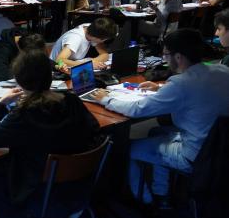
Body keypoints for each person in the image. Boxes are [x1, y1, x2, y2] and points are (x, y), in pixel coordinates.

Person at [91, 29, 229, 206]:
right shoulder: (222, 70)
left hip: (196, 156)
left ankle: (144, 199)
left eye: (165, 54)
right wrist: (161, 90)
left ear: (178, 57)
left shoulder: (181, 84)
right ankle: (160, 192)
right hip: (220, 149)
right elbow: (199, 94)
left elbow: (137, 109)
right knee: (157, 134)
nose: (165, 59)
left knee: (129, 147)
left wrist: (106, 99)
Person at [0, 50, 100, 204]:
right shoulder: (72, 101)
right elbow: (95, 128)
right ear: (50, 76)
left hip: (38, 194)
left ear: (19, 81)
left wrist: (1, 104)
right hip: (81, 188)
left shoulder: (23, 115)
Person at [49, 17, 118, 69]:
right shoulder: (75, 38)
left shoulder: (91, 29)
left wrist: (93, 63)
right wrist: (87, 65)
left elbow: (104, 55)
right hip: (58, 69)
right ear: (98, 38)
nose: (104, 42)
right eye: (104, 40)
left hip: (72, 66)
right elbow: (59, 60)